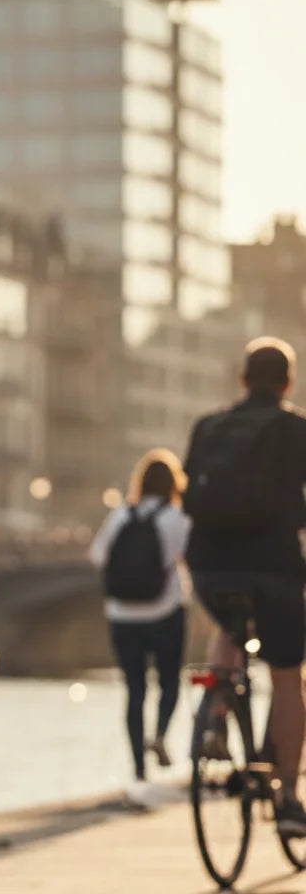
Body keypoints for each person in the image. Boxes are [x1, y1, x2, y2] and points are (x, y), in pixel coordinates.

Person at [184, 337, 306, 835]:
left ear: (242, 379)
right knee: (286, 676)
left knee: (229, 626)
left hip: (211, 568)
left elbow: (190, 489)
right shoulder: (295, 429)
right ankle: (290, 800)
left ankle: (215, 710)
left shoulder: (209, 426)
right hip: (273, 567)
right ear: (287, 384)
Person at [89, 449, 191, 797]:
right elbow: (189, 556)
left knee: (134, 689)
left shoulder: (121, 515)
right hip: (164, 610)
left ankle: (138, 769)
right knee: (169, 681)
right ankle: (160, 734)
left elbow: (97, 556)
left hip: (122, 613)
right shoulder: (175, 517)